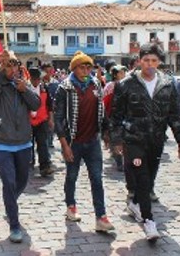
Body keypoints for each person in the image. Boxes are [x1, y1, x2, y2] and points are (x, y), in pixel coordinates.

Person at [110, 43, 180, 241]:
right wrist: (117, 140)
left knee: (149, 178)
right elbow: (116, 115)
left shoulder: (168, 84)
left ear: (159, 62)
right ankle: (149, 221)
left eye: (154, 61)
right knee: (142, 178)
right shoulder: (126, 84)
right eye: (146, 60)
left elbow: (175, 114)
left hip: (156, 140)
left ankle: (135, 203)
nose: (150, 64)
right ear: (139, 61)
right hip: (133, 140)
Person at [54, 51, 115, 233]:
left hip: (92, 141)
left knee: (97, 178)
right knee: (71, 176)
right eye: (82, 66)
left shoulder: (96, 84)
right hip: (73, 142)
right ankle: (71, 205)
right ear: (74, 68)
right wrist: (64, 145)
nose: (86, 69)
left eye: (89, 66)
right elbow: (58, 119)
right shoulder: (64, 88)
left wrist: (106, 133)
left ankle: (101, 217)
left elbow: (101, 111)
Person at [0, 50, 40, 243]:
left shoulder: (24, 84)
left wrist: (24, 90)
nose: (11, 69)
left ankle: (10, 202)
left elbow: (36, 105)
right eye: (7, 65)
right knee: (8, 182)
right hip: (3, 142)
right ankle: (14, 224)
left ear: (19, 66)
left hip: (24, 142)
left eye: (13, 65)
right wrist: (0, 72)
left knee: (22, 180)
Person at [28, 67, 54, 177]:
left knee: (43, 144)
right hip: (28, 121)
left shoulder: (45, 88)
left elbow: (50, 105)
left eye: (38, 79)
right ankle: (29, 164)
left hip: (42, 120)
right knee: (28, 145)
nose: (37, 81)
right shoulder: (25, 88)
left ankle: (45, 166)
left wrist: (51, 119)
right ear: (30, 78)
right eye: (34, 79)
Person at [103, 65, 128, 171]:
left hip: (127, 117)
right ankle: (119, 162)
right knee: (116, 140)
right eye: (121, 72)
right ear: (115, 74)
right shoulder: (109, 86)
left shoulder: (128, 85)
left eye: (124, 72)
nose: (124, 74)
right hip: (113, 117)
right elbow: (105, 103)